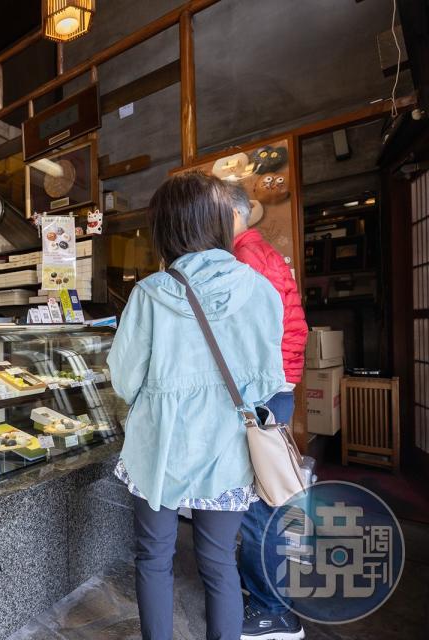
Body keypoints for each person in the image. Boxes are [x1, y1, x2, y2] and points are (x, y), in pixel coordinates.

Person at [107, 171, 285, 640]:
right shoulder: (260, 290)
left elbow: (124, 381)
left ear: (165, 229)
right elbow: (269, 381)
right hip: (227, 450)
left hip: (158, 452)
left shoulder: (149, 294)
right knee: (219, 563)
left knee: (154, 557)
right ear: (219, 223)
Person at [228, 184, 309, 640]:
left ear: (230, 215)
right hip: (276, 385)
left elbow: (247, 338)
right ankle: (266, 595)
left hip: (264, 389)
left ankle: (272, 611)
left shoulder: (245, 259)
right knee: (268, 496)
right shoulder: (260, 252)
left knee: (261, 505)